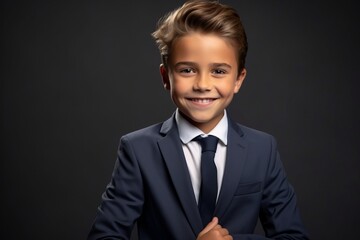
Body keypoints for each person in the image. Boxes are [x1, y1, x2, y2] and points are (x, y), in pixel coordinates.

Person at [88, 1, 309, 239]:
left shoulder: (262, 149)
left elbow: (293, 236)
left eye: (219, 71)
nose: (202, 85)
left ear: (238, 79)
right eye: (187, 70)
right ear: (166, 76)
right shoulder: (138, 150)